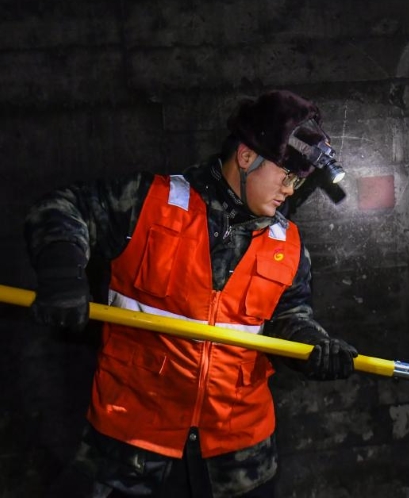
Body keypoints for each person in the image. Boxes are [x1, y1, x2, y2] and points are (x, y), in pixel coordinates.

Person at [24, 89, 359, 497]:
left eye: (296, 181)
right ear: (247, 157)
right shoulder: (148, 204)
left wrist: (314, 347)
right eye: (285, 176)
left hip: (240, 463)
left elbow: (291, 316)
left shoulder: (287, 243)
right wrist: (62, 271)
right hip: (136, 456)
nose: (289, 190)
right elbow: (61, 208)